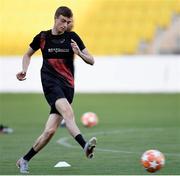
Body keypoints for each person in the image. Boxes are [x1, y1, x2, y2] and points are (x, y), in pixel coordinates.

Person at [16, 6, 97, 174]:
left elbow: (92, 60)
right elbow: (27, 54)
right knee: (68, 112)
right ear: (55, 19)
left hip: (68, 87)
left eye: (68, 22)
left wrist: (79, 54)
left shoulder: (72, 38)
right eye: (63, 21)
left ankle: (24, 160)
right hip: (50, 84)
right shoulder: (43, 37)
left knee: (50, 131)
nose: (65, 25)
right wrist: (24, 70)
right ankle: (85, 146)